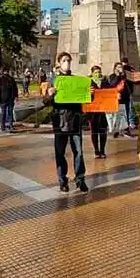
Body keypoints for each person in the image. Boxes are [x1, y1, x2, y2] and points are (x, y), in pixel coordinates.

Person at [46, 52, 89, 194]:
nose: (67, 63)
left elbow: (86, 98)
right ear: (59, 62)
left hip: (75, 120)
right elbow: (45, 101)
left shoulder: (77, 81)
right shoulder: (53, 81)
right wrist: (49, 94)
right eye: (64, 60)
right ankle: (62, 181)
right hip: (60, 121)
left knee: (79, 152)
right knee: (60, 152)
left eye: (69, 60)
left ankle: (80, 180)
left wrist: (90, 92)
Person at [89, 65, 110, 158]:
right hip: (93, 111)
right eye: (96, 72)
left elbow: (110, 92)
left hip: (103, 110)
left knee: (103, 131)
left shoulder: (105, 82)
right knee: (94, 131)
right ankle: (96, 151)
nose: (98, 74)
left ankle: (102, 150)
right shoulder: (89, 82)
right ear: (92, 73)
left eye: (99, 72)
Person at [108, 62, 133, 138]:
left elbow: (130, 85)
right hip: (116, 98)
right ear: (115, 68)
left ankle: (126, 130)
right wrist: (117, 76)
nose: (120, 68)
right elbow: (112, 84)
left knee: (126, 114)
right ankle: (116, 131)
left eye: (121, 67)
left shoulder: (125, 76)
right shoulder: (113, 76)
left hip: (125, 97)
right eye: (118, 67)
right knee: (116, 115)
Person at [0, 67, 18, 132]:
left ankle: (3, 126)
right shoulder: (11, 79)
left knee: (3, 113)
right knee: (10, 113)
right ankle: (10, 126)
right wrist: (16, 96)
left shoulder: (0, 79)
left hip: (3, 99)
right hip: (10, 98)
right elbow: (15, 88)